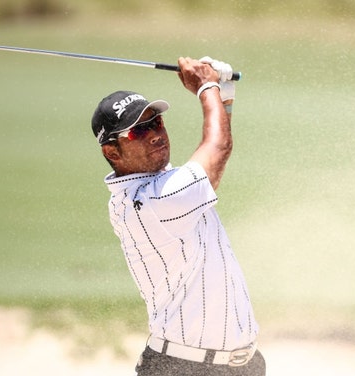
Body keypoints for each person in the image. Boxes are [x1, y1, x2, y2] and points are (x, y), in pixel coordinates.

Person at [90, 56, 265, 376]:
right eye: (137, 131)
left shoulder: (162, 182)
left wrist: (223, 93)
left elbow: (217, 151)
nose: (155, 134)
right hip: (184, 368)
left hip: (241, 367)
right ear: (112, 152)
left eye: (155, 122)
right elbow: (219, 148)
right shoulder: (149, 203)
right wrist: (207, 87)